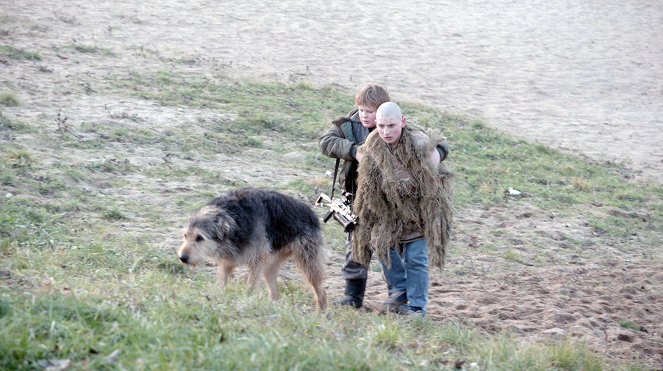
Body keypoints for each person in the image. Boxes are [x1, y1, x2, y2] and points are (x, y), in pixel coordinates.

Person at [318, 84, 449, 309]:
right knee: (356, 248)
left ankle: (398, 295)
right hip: (358, 198)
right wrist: (354, 151)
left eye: (371, 111)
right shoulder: (349, 127)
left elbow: (436, 142)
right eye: (362, 110)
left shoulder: (398, 127)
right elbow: (326, 142)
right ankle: (353, 296)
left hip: (395, 203)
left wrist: (436, 154)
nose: (365, 115)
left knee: (393, 247)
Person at [351, 102, 453, 316]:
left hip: (420, 210)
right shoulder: (372, 144)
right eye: (381, 126)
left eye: (391, 126)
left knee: (416, 258)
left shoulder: (418, 142)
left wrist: (434, 157)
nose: (386, 132)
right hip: (388, 211)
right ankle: (400, 289)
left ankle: (417, 307)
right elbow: (368, 183)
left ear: (403, 122)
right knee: (380, 243)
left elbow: (433, 178)